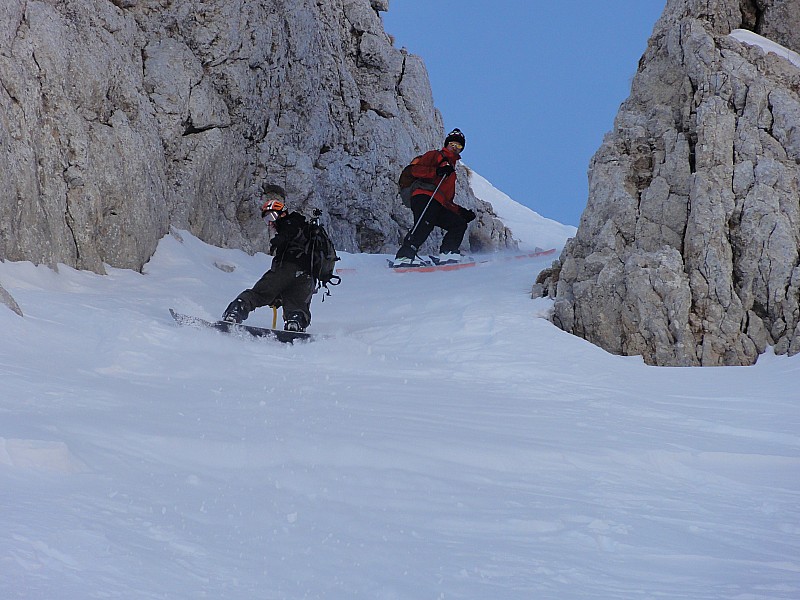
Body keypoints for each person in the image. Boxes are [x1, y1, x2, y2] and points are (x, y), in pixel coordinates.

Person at [221, 185, 315, 332]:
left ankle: (235, 311)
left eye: (271, 217)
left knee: (258, 293)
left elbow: (289, 232)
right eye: (266, 219)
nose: (270, 223)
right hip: (307, 276)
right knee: (296, 304)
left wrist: (279, 240)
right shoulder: (306, 229)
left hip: (287, 269)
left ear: (282, 214)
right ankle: (295, 322)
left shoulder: (289, 223)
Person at [392, 128, 476, 267]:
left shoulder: (451, 170)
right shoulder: (435, 155)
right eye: (452, 144)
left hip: (437, 203)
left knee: (458, 223)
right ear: (447, 144)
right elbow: (415, 170)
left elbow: (445, 199)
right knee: (425, 223)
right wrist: (437, 171)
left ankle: (448, 253)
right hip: (423, 196)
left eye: (459, 146)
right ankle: (405, 256)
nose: (455, 148)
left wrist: (460, 212)